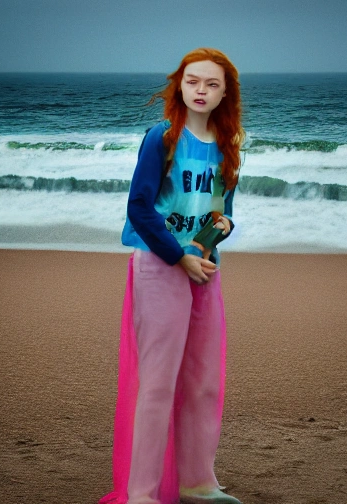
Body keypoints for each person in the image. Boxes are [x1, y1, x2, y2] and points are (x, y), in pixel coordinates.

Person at [100, 48, 244, 504]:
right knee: (158, 383)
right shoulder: (161, 137)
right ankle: (142, 493)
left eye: (212, 84)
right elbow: (139, 209)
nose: (201, 91)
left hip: (203, 270)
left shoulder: (228, 145)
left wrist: (212, 239)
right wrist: (178, 255)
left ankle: (198, 483)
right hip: (160, 266)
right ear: (180, 86)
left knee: (203, 382)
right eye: (193, 81)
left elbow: (224, 215)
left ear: (226, 93)